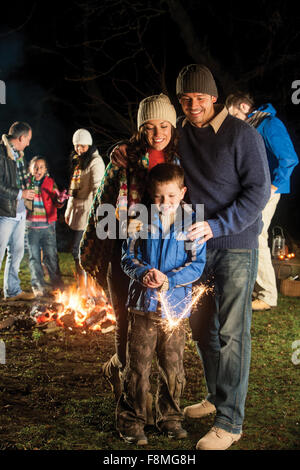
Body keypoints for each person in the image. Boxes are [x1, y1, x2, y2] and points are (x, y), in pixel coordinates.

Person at [110, 65, 271, 450]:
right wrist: (123, 149)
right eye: (186, 99)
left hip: (232, 243)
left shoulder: (241, 134)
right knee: (201, 330)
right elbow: (151, 141)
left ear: (214, 97)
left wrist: (218, 225)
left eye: (200, 98)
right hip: (191, 246)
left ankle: (230, 422)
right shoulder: (181, 134)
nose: (193, 105)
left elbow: (259, 192)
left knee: (232, 332)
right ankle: (216, 396)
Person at [80, 94, 180, 410]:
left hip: (162, 253)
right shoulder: (123, 158)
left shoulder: (179, 158)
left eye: (164, 125)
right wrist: (109, 247)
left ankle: (125, 373)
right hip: (125, 251)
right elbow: (102, 206)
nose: (157, 133)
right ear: (139, 129)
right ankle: (132, 390)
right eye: (149, 127)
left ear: (173, 127)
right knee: (126, 320)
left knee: (157, 325)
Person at [116, 163, 206, 445]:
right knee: (138, 366)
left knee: (173, 366)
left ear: (182, 193)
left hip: (175, 309)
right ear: (149, 194)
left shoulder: (192, 223)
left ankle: (170, 418)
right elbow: (126, 258)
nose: (164, 203)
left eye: (170, 196)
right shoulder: (138, 221)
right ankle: (133, 420)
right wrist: (144, 273)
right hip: (142, 306)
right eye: (158, 197)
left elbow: (197, 264)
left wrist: (169, 279)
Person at [226, 92, 299, 311]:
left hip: (266, 191)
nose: (233, 120)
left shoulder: (270, 123)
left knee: (257, 235)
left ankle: (268, 295)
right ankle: (254, 290)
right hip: (252, 189)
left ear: (243, 106)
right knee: (249, 235)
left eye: (233, 114)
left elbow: (290, 159)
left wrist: (273, 186)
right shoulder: (252, 126)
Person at [65, 128, 105, 289]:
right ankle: (83, 287)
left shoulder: (96, 162)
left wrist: (97, 214)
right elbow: (73, 191)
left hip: (88, 213)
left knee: (80, 251)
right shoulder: (80, 161)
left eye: (82, 146)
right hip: (77, 213)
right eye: (76, 146)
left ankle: (87, 288)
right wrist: (68, 211)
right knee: (78, 251)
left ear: (88, 145)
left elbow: (98, 188)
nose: (79, 149)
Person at [0, 122, 35, 301]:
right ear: (21, 138)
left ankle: (12, 291)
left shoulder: (19, 156)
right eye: (28, 139)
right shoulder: (1, 154)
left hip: (19, 213)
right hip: (4, 213)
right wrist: (21, 193)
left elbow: (20, 181)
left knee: (16, 253)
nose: (28, 143)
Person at [26, 156, 67, 297]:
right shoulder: (26, 183)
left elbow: (57, 201)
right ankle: (39, 289)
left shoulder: (50, 182)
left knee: (51, 257)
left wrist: (60, 200)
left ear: (45, 169)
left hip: (48, 227)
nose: (38, 170)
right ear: (30, 169)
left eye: (41, 167)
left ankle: (57, 287)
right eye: (35, 167)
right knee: (34, 259)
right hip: (31, 228)